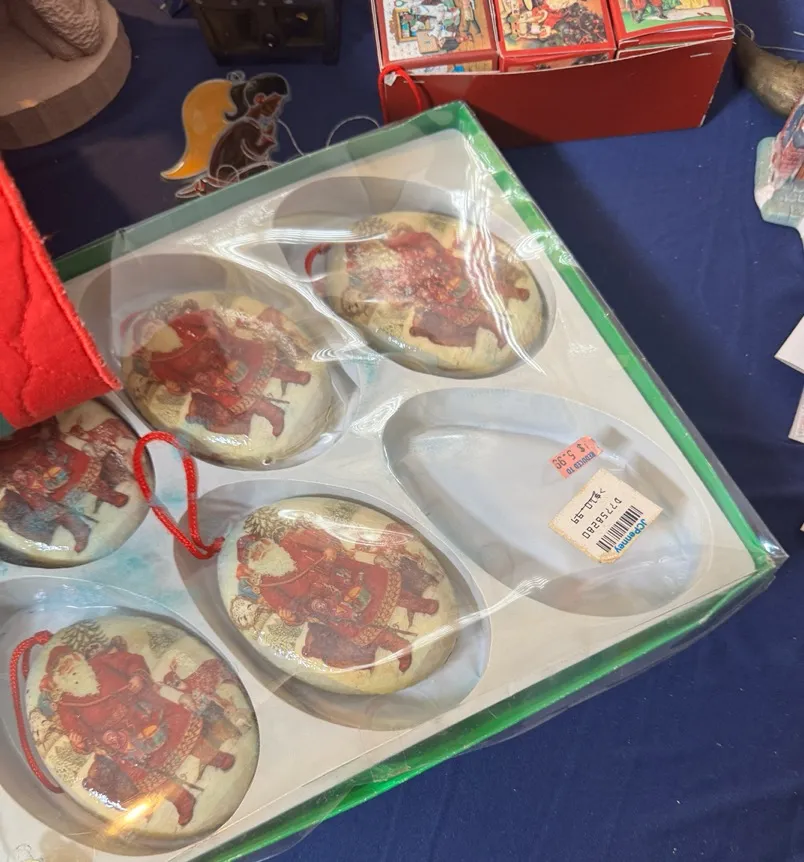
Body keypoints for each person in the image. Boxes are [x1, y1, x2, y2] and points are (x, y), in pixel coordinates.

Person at [40, 641, 236, 827]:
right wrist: (79, 741)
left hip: (144, 709)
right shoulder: (66, 704)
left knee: (180, 731)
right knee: (145, 771)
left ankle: (215, 757)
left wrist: (136, 676)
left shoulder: (100, 663)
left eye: (69, 662)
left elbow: (132, 660)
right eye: (62, 669)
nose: (69, 669)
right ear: (58, 678)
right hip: (119, 739)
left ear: (77, 659)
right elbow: (75, 730)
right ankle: (183, 800)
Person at [234, 513, 440, 674]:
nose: (260, 552)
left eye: (260, 546)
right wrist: (290, 617)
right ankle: (400, 647)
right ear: (252, 563)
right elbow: (289, 610)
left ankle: (420, 604)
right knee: (358, 626)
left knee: (380, 585)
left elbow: (324, 539)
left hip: (341, 572)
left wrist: (329, 548)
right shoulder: (267, 586)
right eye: (254, 554)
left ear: (267, 543)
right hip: (326, 604)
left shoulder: (290, 542)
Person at [132, 300, 311, 439]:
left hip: (225, 351)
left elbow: (207, 315)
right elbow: (179, 384)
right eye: (148, 335)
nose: (154, 333)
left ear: (160, 323)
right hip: (210, 379)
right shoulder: (159, 362)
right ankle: (272, 413)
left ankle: (292, 375)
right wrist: (175, 388)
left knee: (257, 360)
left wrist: (213, 329)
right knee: (233, 395)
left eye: (153, 327)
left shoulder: (181, 324)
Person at [344, 221, 531, 350]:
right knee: (461, 314)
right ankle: (495, 328)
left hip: (442, 271)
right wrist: (402, 300)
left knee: (476, 285)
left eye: (368, 245)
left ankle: (513, 292)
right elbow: (395, 297)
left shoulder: (397, 243)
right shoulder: (381, 278)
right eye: (364, 251)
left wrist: (429, 248)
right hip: (431, 295)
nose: (369, 250)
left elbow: (422, 239)